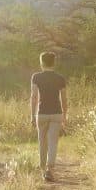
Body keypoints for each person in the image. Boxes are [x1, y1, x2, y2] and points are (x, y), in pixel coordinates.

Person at [30, 51, 67, 181]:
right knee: (53, 142)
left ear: (42, 63)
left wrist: (32, 115)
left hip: (42, 114)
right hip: (57, 113)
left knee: (42, 142)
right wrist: (64, 116)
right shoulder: (60, 78)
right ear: (54, 63)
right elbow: (64, 99)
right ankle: (50, 170)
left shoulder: (36, 77)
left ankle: (42, 170)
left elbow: (34, 97)